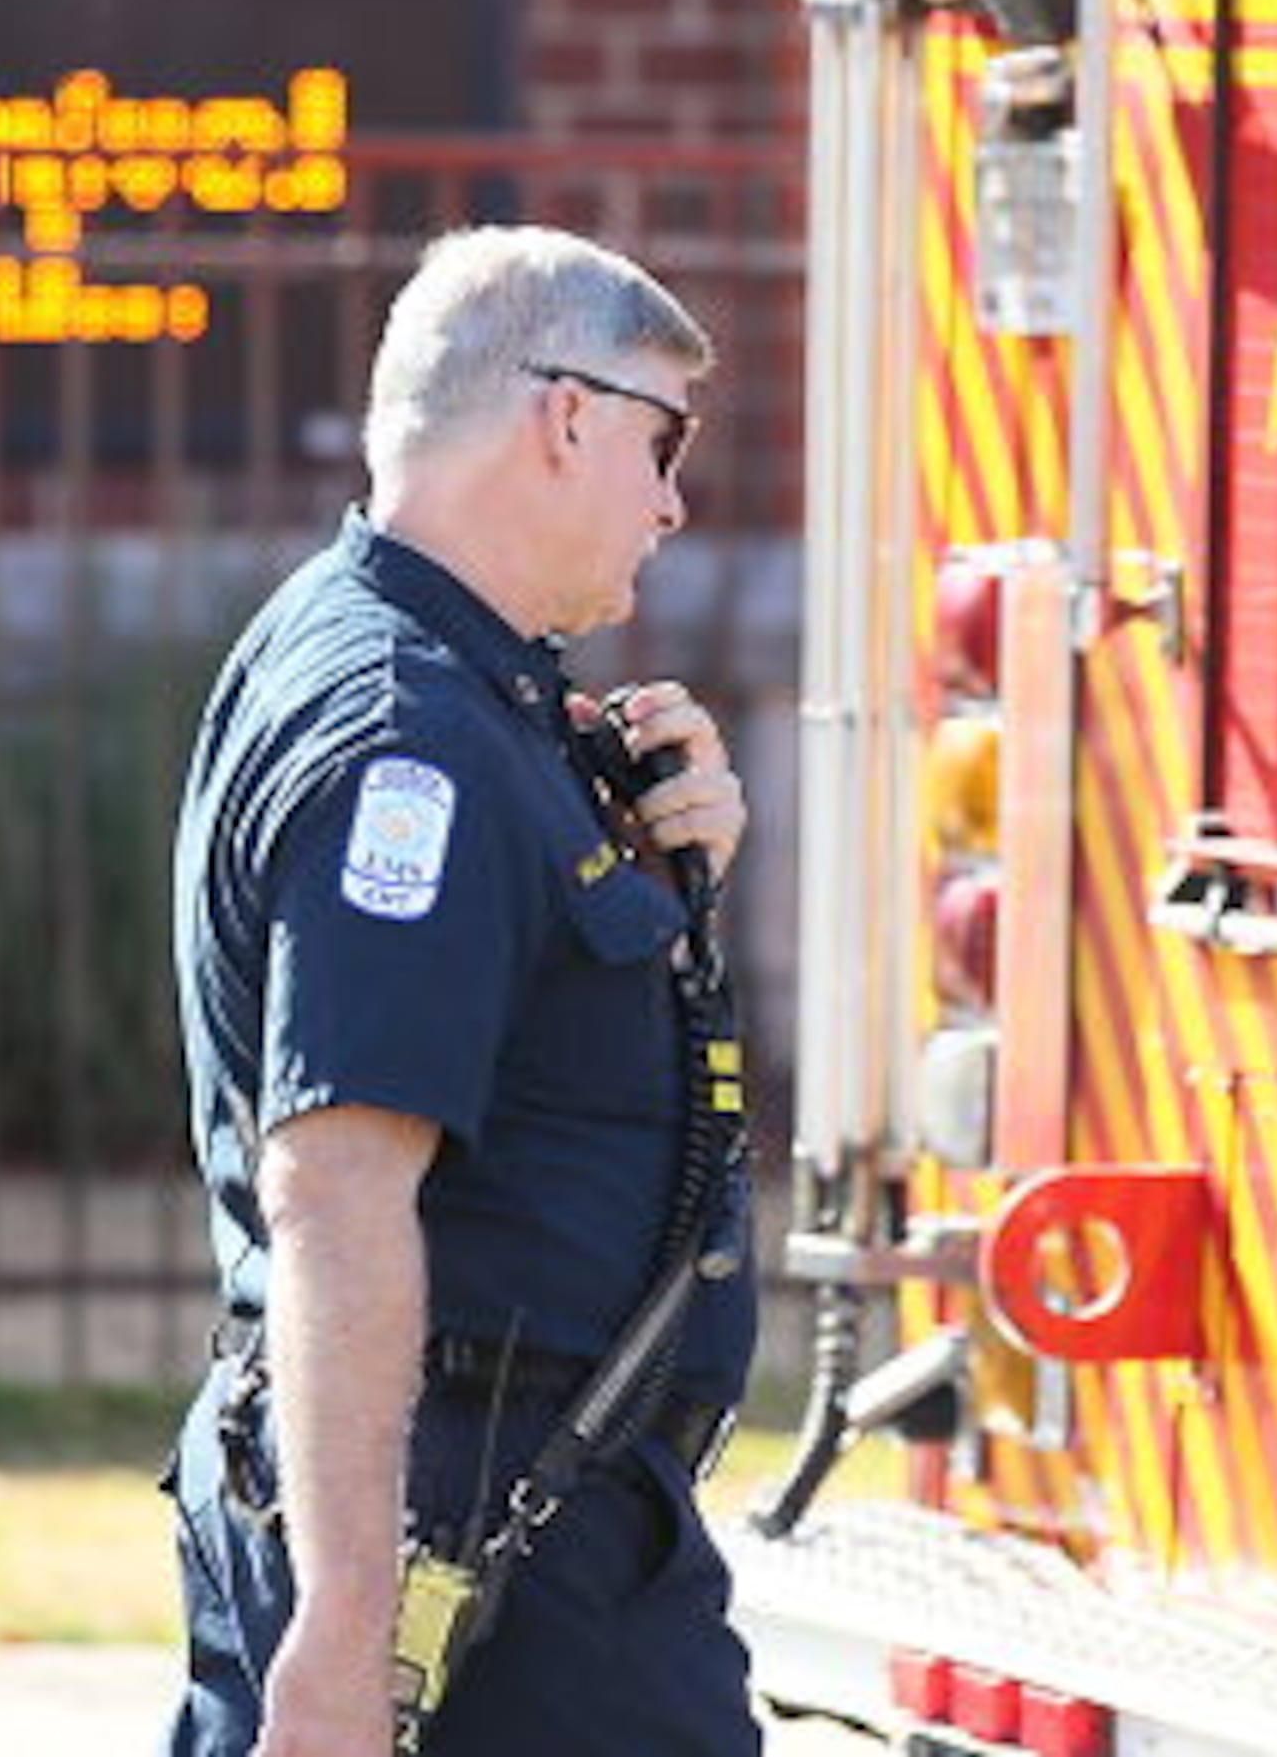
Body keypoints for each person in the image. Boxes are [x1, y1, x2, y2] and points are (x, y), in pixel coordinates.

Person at [165, 224, 761, 1757]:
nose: (674, 499)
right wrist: (350, 1632)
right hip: (486, 1540)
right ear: (564, 418)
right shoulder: (406, 740)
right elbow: (342, 1188)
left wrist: (657, 860)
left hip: (515, 1505)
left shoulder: (453, 688)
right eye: (660, 440)